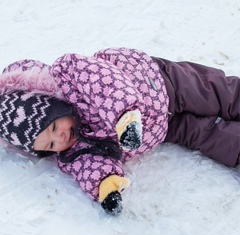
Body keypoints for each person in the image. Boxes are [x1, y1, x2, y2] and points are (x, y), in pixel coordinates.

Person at [0, 48, 239, 216]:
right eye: (50, 146)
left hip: (160, 82)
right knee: (207, 135)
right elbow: (89, 165)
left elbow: (108, 87)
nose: (60, 138)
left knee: (217, 94)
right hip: (162, 128)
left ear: (54, 103)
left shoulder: (72, 74)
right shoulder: (73, 150)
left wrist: (125, 119)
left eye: (53, 127)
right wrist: (106, 187)